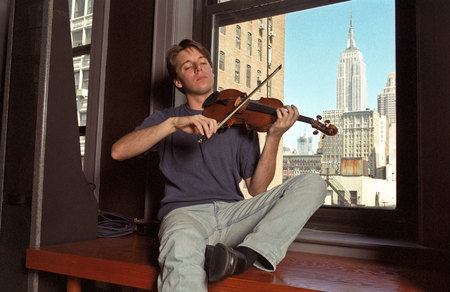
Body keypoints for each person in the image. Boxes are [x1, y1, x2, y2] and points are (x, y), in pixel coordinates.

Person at [111, 39, 326, 292]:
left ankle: (246, 255)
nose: (199, 69)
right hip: (184, 216)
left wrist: (274, 136)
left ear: (212, 71)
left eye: (203, 63)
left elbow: (257, 189)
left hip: (233, 215)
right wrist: (173, 125)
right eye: (188, 66)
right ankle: (226, 255)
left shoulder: (240, 120)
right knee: (180, 252)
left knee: (313, 183)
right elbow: (118, 152)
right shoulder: (166, 119)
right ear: (178, 81)